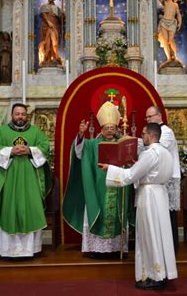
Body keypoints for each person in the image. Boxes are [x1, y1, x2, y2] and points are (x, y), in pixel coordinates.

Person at [99, 123, 177, 290]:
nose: (142, 137)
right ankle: (161, 273)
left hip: (149, 197)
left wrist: (110, 169)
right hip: (161, 195)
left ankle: (154, 276)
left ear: (151, 135)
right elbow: (151, 171)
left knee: (149, 235)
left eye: (143, 134)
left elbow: (129, 176)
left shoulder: (150, 153)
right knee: (160, 235)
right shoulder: (165, 153)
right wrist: (138, 164)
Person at [63, 101, 132, 258]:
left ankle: (117, 248)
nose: (109, 131)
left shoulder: (123, 143)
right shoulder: (92, 144)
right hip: (97, 187)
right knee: (98, 212)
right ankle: (96, 249)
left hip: (118, 186)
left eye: (112, 128)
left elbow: (131, 162)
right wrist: (81, 135)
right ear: (101, 128)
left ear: (116, 129)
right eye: (106, 128)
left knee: (117, 215)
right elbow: (79, 151)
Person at [0, 103, 51, 258]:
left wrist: (30, 150)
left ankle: (30, 250)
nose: (20, 117)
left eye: (23, 114)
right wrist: (10, 151)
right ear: (12, 115)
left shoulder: (36, 132)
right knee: (9, 208)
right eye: (17, 114)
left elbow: (45, 147)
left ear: (26, 115)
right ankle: (7, 251)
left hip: (30, 179)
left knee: (31, 208)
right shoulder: (1, 132)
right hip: (9, 178)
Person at [145, 106, 181, 252]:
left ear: (159, 116)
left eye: (150, 116)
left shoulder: (166, 132)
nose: (147, 119)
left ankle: (171, 247)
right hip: (157, 178)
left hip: (168, 178)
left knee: (168, 213)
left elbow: (156, 150)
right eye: (146, 117)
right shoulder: (152, 131)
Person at [154, 0, 182, 64]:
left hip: (172, 22)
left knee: (171, 40)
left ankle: (175, 56)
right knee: (166, 41)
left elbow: (178, 14)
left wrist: (180, 22)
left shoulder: (175, 4)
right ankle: (169, 58)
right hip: (164, 22)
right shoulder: (164, 3)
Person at [38, 0, 63, 68]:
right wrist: (49, 22)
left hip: (54, 26)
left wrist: (62, 15)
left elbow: (61, 19)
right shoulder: (44, 6)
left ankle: (54, 58)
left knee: (54, 43)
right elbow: (43, 15)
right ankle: (46, 59)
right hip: (46, 26)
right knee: (47, 42)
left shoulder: (57, 8)